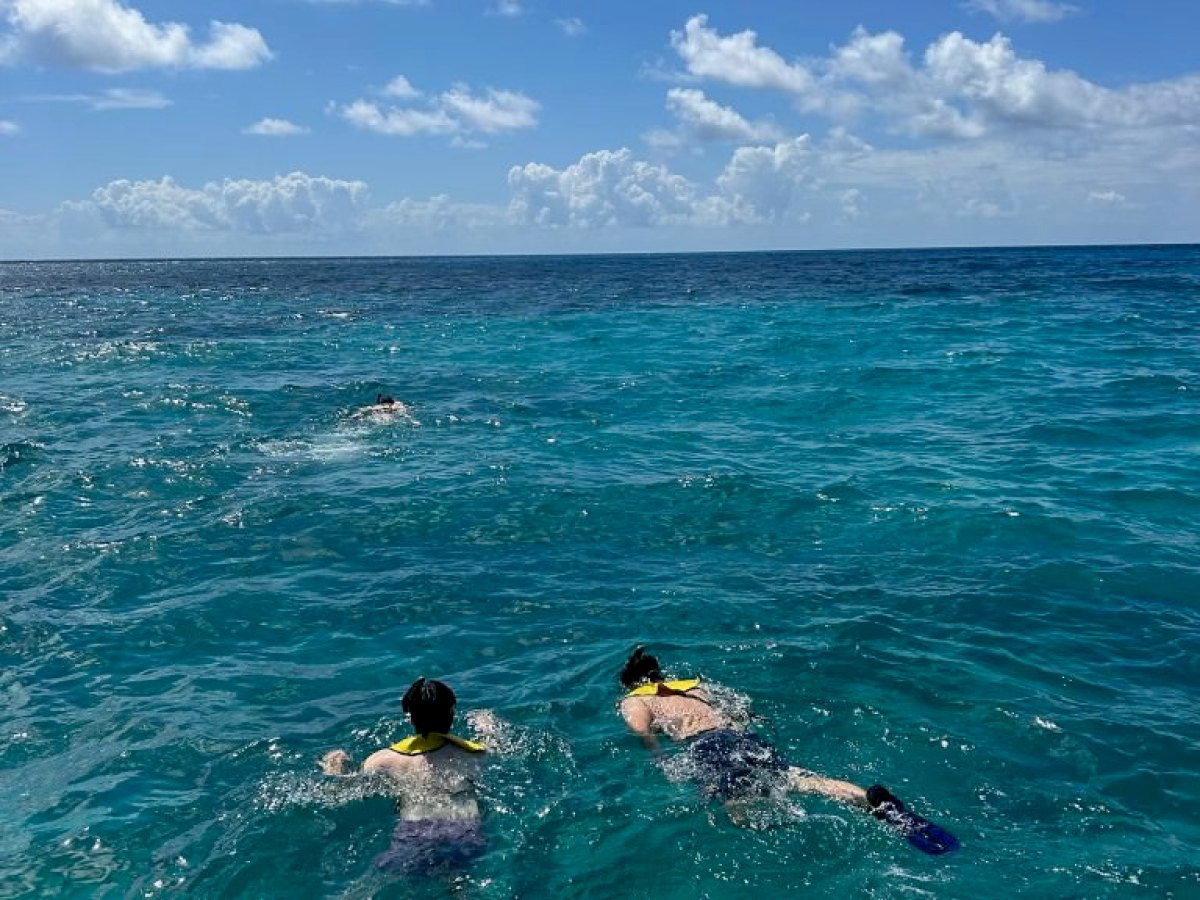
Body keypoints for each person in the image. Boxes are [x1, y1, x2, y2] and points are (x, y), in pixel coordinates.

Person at [617, 646, 958, 855]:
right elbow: (739, 710)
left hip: (708, 747)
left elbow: (642, 732)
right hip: (745, 738)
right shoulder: (696, 688)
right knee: (801, 779)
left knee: (738, 813)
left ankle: (795, 827)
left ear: (632, 683)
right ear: (660, 674)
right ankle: (875, 804)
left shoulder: (635, 701)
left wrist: (661, 762)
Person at [321, 678, 489, 874]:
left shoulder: (382, 760)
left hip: (413, 834)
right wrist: (486, 726)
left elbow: (343, 790)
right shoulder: (472, 754)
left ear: (410, 718)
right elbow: (494, 746)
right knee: (457, 882)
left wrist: (333, 766)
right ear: (451, 714)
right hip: (464, 831)